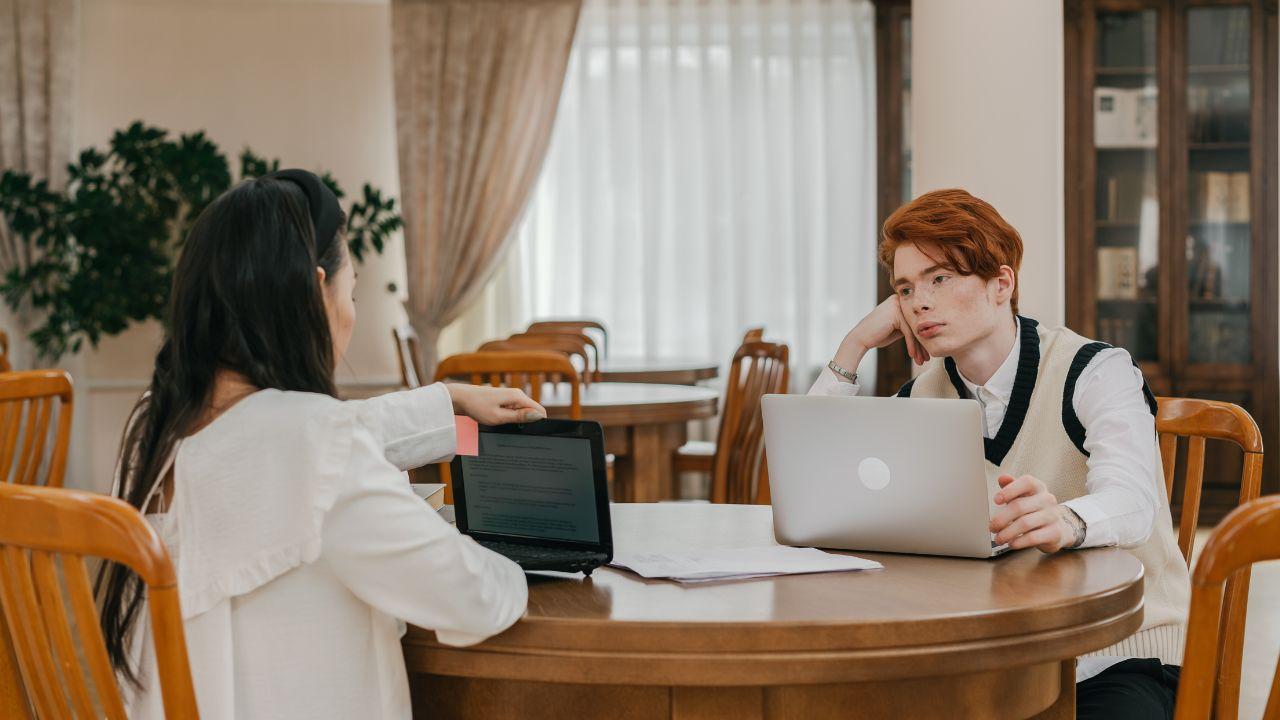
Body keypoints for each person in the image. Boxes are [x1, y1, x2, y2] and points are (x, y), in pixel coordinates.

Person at [96, 170, 542, 719]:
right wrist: (520, 562)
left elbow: (288, 441)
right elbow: (472, 599)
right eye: (350, 292)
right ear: (315, 291)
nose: (350, 314)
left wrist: (446, 400)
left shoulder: (153, 427)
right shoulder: (312, 441)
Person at [811, 188, 1189, 720]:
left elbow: (1133, 499)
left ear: (1000, 284)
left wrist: (1066, 519)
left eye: (939, 278)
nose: (919, 302)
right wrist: (854, 345)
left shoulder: (1094, 371)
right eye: (904, 287)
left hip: (1120, 655)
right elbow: (817, 471)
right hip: (993, 654)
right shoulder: (926, 391)